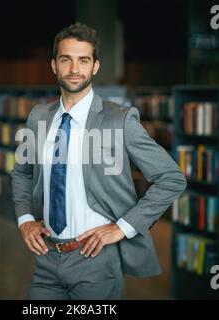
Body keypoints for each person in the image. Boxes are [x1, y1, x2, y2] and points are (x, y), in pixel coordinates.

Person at [11, 22, 187, 300]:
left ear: (95, 66)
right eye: (66, 59)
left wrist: (122, 228)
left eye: (83, 60)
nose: (74, 69)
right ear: (53, 65)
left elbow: (172, 178)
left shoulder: (120, 119)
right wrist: (25, 220)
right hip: (46, 257)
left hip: (96, 261)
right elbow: (22, 173)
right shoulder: (39, 117)